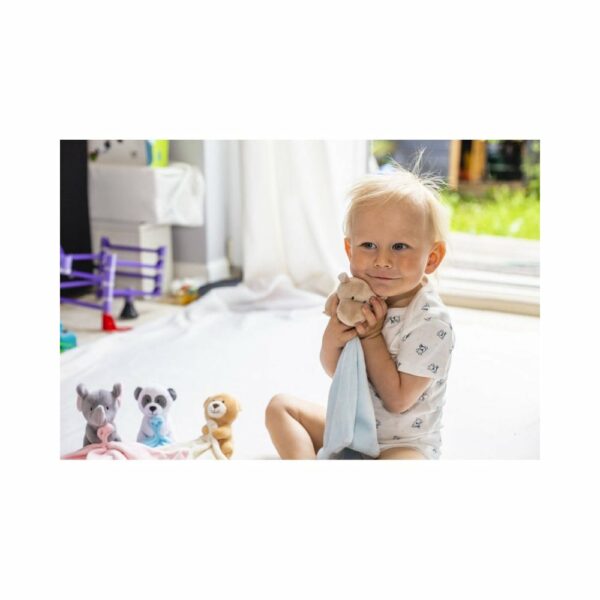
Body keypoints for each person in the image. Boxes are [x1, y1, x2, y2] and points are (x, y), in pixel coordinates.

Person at [265, 161, 455, 459]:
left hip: (402, 443)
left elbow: (398, 400)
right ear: (349, 250)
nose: (382, 260)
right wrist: (334, 334)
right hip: (349, 428)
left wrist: (372, 337)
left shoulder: (432, 323)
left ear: (431, 258)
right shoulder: (357, 298)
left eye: (399, 247)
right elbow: (335, 371)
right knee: (280, 408)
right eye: (368, 245)